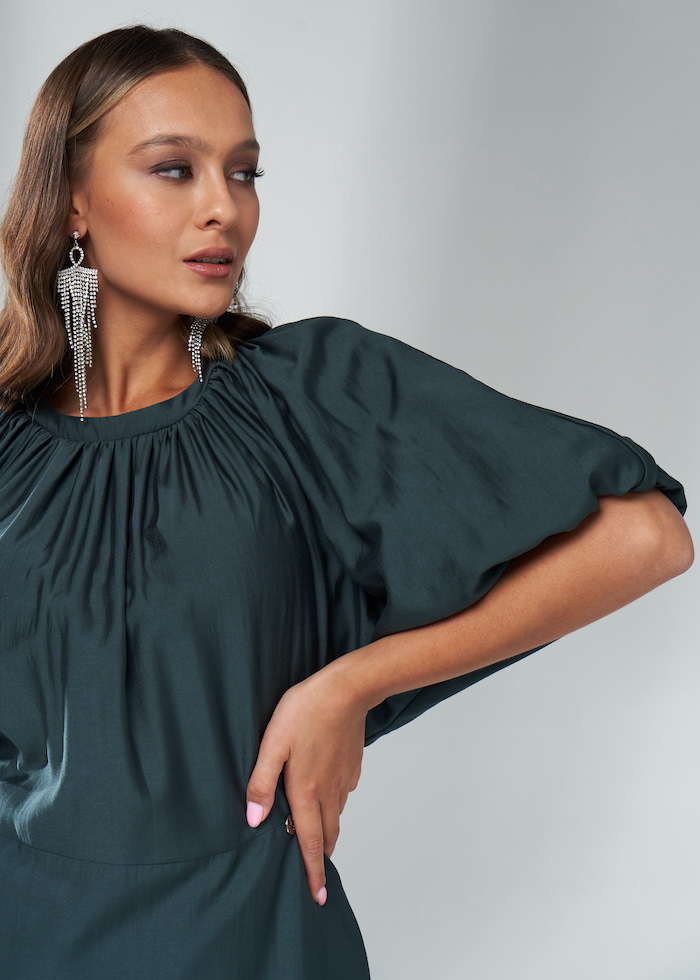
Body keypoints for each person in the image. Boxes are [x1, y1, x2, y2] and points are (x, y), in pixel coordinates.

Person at [0, 24, 692, 980]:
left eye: (243, 173)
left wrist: (350, 686)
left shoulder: (309, 392)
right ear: (73, 199)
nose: (224, 209)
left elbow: (645, 537)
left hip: (256, 937)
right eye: (175, 170)